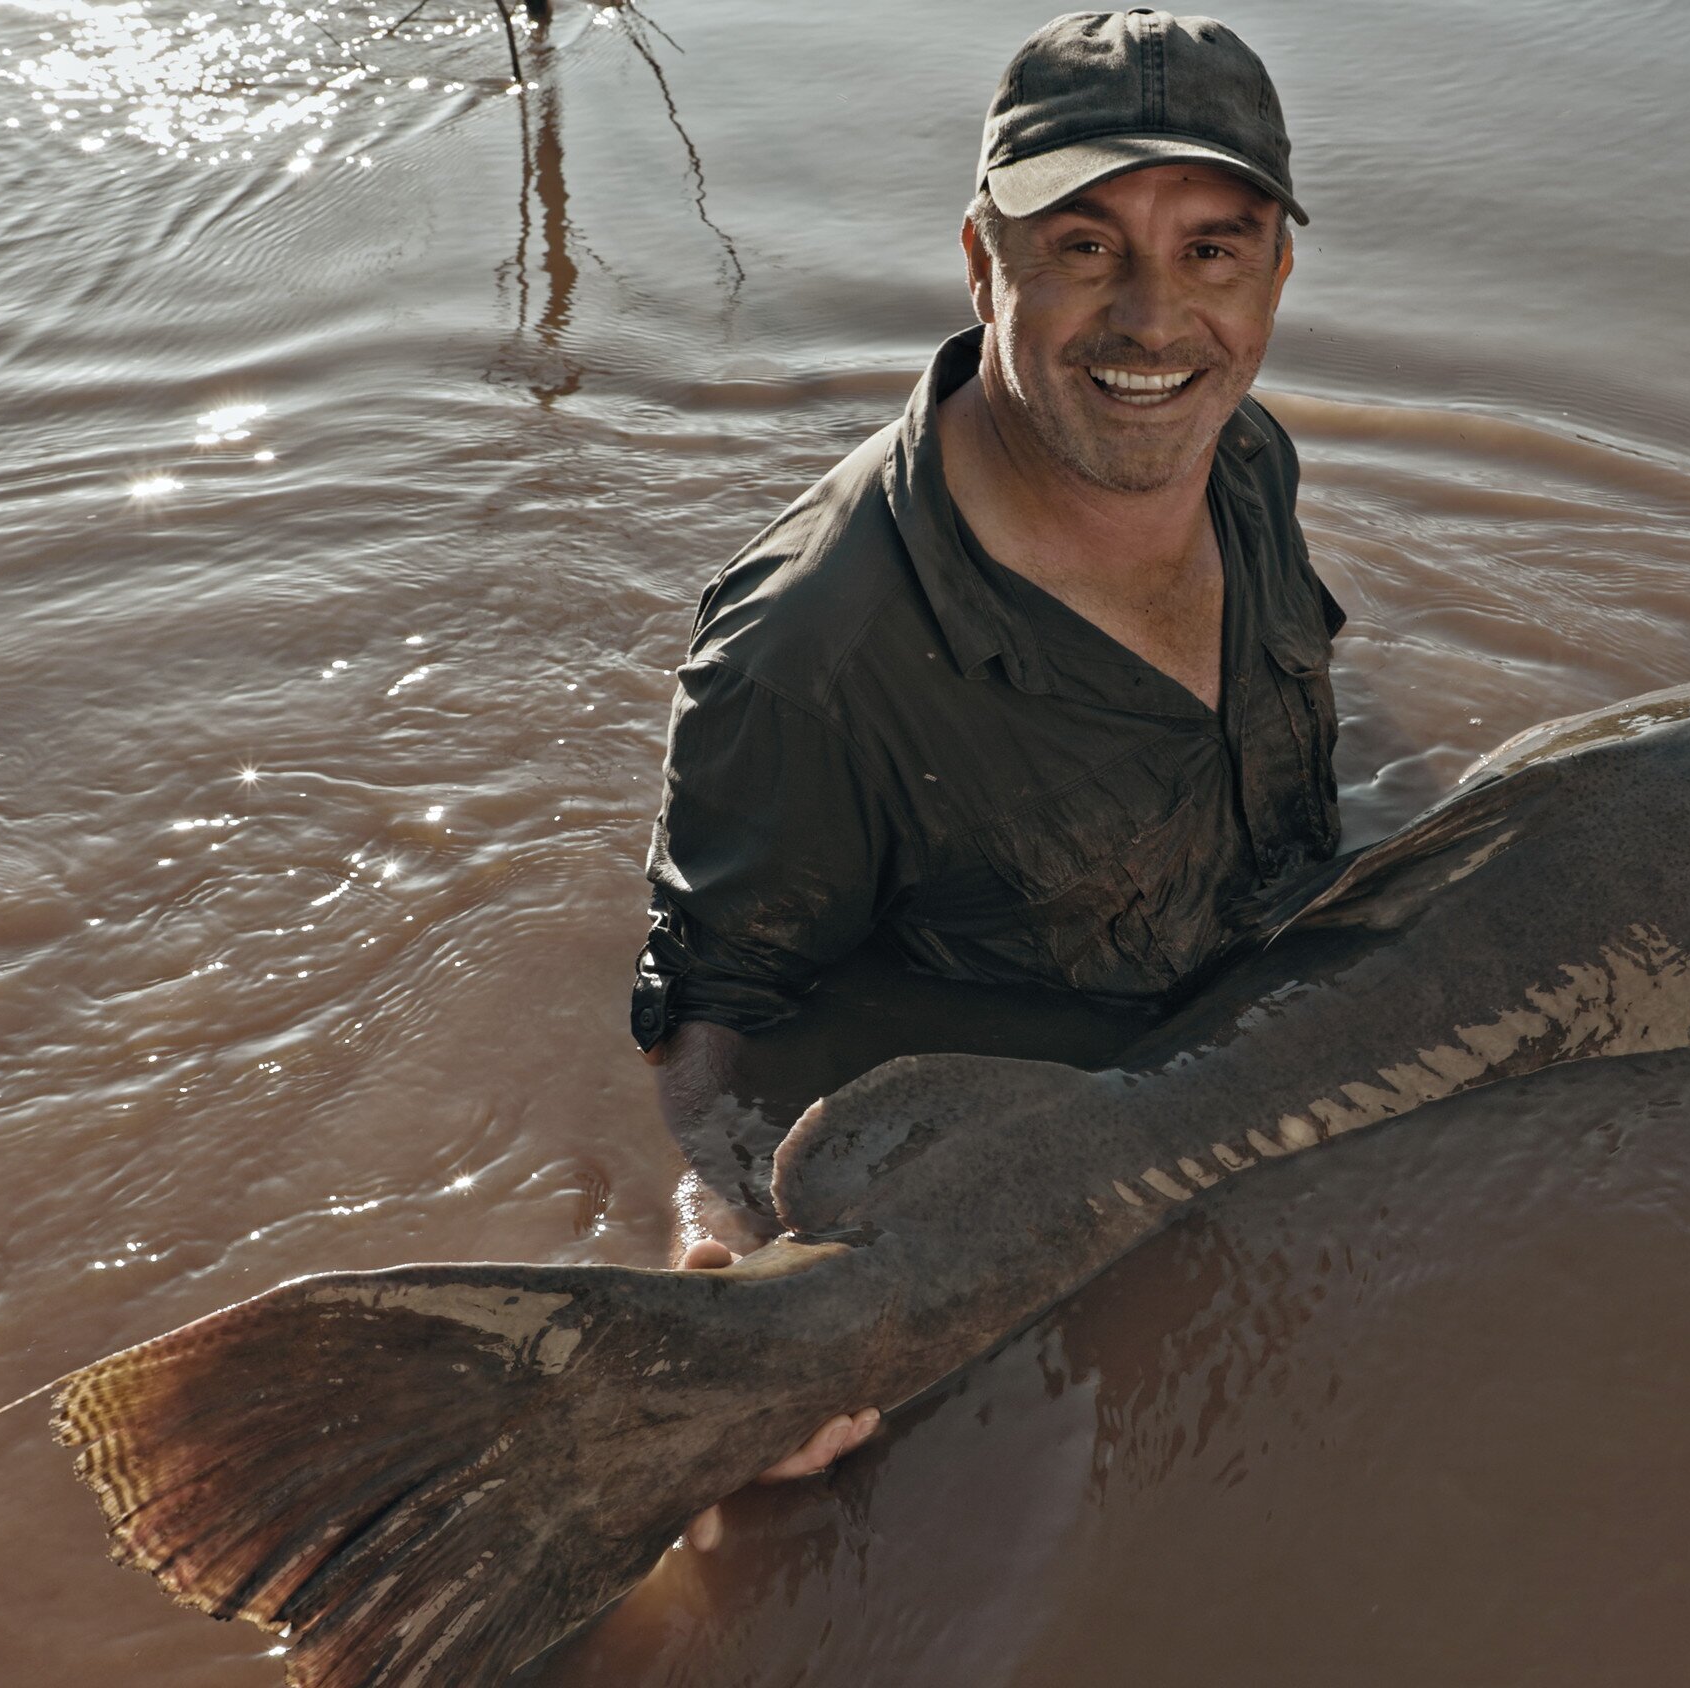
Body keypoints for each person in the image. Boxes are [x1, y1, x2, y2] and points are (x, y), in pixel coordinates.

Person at [632, 9, 1339, 1536]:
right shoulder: (809, 654)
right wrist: (738, 1246)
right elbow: (715, 1011)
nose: (1155, 325)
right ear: (982, 262)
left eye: (1212, 252)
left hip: (1252, 1089)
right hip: (1015, 1144)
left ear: (1277, 270)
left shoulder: (1247, 458)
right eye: (1086, 249)